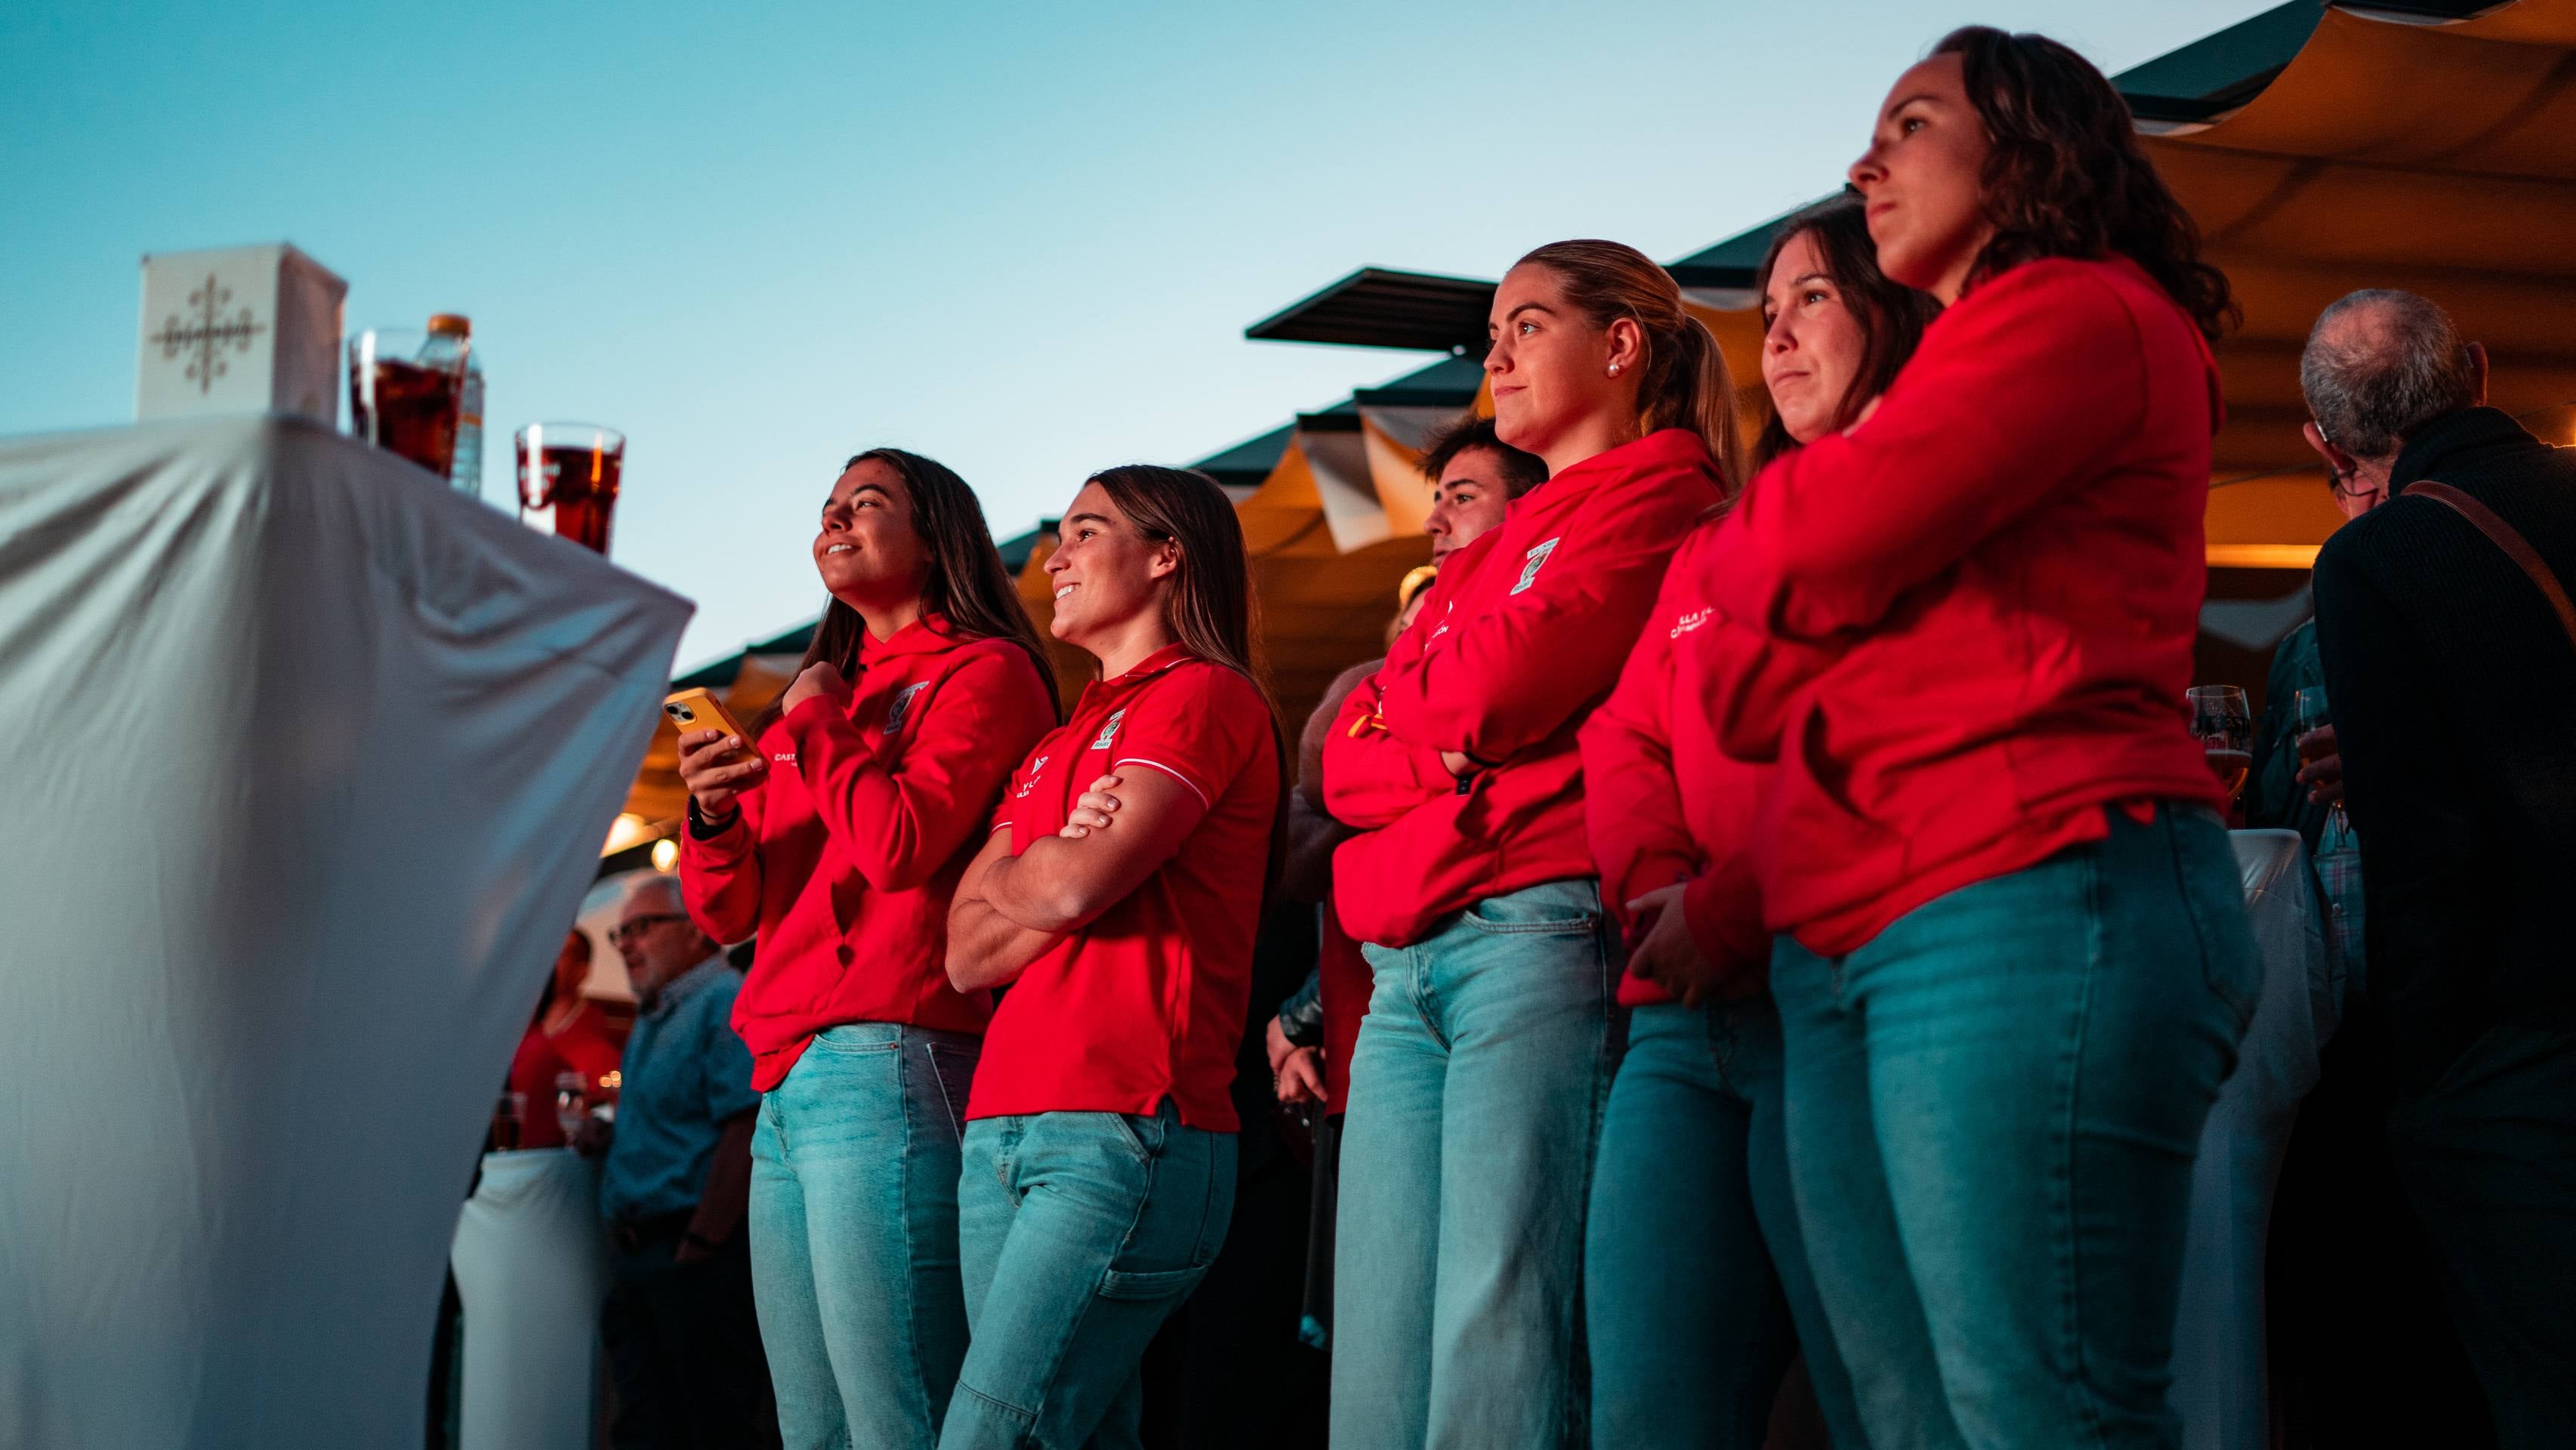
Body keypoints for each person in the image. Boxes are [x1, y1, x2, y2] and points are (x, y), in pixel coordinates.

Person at [1691, 29, 2257, 1448]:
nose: (1860, 162)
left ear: (2026, 143)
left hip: (2030, 890)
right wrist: (1820, 559)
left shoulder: (2071, 311)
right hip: (1884, 924)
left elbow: (1787, 560)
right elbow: (1739, 695)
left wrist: (1815, 550)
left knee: (2036, 1418)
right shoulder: (1967, 370)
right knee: (1915, 1418)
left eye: (1911, 123)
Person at [1321, 239, 1738, 1449]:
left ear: (1618, 346)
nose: (1492, 355)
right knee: (1378, 1356)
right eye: (1490, 331)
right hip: (1404, 958)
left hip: (1533, 930)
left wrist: (1429, 725)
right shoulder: (1507, 524)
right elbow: (1349, 754)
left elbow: (1484, 694)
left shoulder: (1664, 492)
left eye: (1525, 326)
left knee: (1496, 1333)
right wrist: (1431, 737)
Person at [1580, 193, 1932, 1450]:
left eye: (1813, 303)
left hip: (1833, 1001)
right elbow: (1622, 735)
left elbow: (1887, 749)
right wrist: (1656, 898)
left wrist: (1724, 912)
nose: (1775, 342)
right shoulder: (1724, 537)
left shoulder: (1926, 498)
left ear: (1893, 310)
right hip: (1680, 1023)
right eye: (1765, 313)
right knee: (1644, 1411)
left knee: (1880, 1395)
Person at [674, 449, 1060, 1450]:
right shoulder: (822, 696)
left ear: (935, 538)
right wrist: (714, 816)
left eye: (866, 503)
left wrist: (813, 722)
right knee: (813, 1427)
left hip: (892, 1054)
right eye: (827, 507)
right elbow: (730, 914)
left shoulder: (986, 671)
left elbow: (900, 845)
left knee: (901, 1417)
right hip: (787, 1076)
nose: (835, 519)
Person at [939, 465, 1282, 1450]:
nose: (1054, 557)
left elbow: (1065, 892)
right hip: (1001, 1129)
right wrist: (1057, 863)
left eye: (1085, 531)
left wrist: (1039, 871)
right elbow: (964, 954)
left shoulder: (1201, 694)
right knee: (1077, 1435)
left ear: (1165, 554)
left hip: (1123, 1127)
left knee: (992, 1434)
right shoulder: (1059, 741)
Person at [2305, 288, 2576, 1445]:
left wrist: (2422, 1075)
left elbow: (2424, 856)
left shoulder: (2374, 560)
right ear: (2473, 367)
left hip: (2523, 1040)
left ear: (2325, 443)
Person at [589, 874, 777, 1450]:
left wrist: (701, 1243)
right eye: (621, 933)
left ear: (697, 929)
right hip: (645, 1259)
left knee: (708, 1427)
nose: (623, 944)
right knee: (648, 1427)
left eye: (640, 928)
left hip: (692, 1260)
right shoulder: (654, 1014)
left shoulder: (722, 1001)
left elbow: (745, 1128)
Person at [509, 927, 623, 1149]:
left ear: (583, 971)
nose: (547, 962)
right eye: (543, 952)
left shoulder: (601, 1053)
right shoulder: (520, 1038)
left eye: (559, 954)